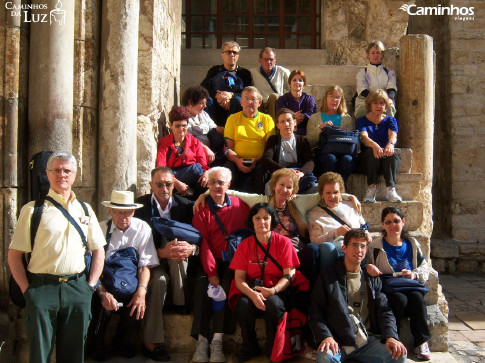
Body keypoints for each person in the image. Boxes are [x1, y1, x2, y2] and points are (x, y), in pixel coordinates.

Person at [8, 151, 106, 363]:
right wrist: (28, 291)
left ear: (75, 174)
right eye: (57, 170)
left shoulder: (85, 210)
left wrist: (89, 286)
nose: (62, 174)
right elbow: (14, 256)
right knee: (40, 355)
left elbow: (98, 250)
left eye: (67, 170)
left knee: (73, 355)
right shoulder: (33, 210)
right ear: (47, 173)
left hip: (76, 288)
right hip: (42, 288)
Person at [310, 228, 407, 363]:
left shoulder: (372, 278)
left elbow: (384, 310)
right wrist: (326, 336)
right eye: (354, 245)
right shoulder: (328, 276)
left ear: (366, 250)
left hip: (366, 341)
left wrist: (391, 336)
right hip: (339, 342)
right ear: (344, 248)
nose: (359, 250)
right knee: (325, 358)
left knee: (399, 355)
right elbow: (316, 311)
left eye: (363, 246)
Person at [134, 166, 196, 361]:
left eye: (168, 184)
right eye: (159, 184)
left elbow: (199, 237)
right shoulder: (140, 207)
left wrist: (191, 248)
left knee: (178, 251)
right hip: (152, 258)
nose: (164, 188)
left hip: (178, 258)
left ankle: (180, 302)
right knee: (159, 281)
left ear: (173, 184)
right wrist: (160, 252)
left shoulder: (185, 205)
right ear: (151, 185)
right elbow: (134, 244)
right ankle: (151, 342)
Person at [90, 191, 159, 360]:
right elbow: (91, 265)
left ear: (133, 212)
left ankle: (122, 342)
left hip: (130, 283)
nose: (123, 217)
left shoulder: (142, 229)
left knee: (136, 307)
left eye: (127, 212)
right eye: (119, 212)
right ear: (110, 211)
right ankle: (95, 345)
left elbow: (145, 265)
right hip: (105, 282)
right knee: (100, 308)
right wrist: (102, 292)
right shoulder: (100, 228)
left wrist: (141, 292)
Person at [191, 167, 250, 363]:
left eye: (221, 182)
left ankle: (217, 340)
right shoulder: (201, 208)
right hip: (211, 260)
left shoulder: (241, 205)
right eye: (212, 182)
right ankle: (201, 340)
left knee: (226, 288)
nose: (217, 186)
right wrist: (211, 273)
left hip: (235, 262)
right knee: (202, 286)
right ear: (207, 185)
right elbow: (204, 242)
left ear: (229, 185)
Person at [230, 203, 300, 362]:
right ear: (252, 221)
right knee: (243, 305)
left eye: (266, 218)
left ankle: (272, 347)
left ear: (272, 220)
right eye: (257, 218)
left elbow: (289, 275)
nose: (262, 222)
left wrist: (273, 290)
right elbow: (239, 279)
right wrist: (253, 294)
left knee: (274, 305)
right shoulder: (244, 245)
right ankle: (249, 347)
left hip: (278, 289)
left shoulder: (284, 243)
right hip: (253, 288)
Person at [366, 206, 431, 361]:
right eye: (388, 222)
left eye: (396, 221)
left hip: (410, 284)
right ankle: (393, 338)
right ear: (382, 224)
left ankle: (422, 341)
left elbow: (424, 265)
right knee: (399, 300)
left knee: (417, 297)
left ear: (403, 222)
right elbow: (366, 265)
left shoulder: (412, 244)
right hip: (390, 287)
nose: (392, 225)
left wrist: (414, 274)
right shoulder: (375, 247)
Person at [307, 172, 367, 271]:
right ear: (322, 194)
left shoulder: (351, 205)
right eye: (328, 193)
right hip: (334, 250)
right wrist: (335, 233)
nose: (332, 196)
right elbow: (314, 241)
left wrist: (367, 235)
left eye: (335, 192)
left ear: (341, 193)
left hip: (356, 248)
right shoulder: (314, 214)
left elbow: (363, 226)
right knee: (328, 247)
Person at [223, 86, 275, 192]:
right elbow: (228, 148)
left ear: (259, 103)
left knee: (263, 168)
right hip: (237, 159)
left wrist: (257, 159)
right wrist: (237, 161)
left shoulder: (267, 119)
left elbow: (270, 147)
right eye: (246, 99)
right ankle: (232, 203)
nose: (249, 102)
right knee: (227, 170)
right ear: (241, 102)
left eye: (253, 99)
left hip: (259, 160)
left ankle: (258, 202)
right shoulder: (232, 119)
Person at [356, 89, 402, 203]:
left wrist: (390, 144)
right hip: (369, 159)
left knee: (392, 154)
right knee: (372, 153)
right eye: (375, 103)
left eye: (382, 103)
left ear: (386, 106)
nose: (378, 106)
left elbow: (393, 135)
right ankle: (371, 189)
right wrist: (374, 145)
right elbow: (364, 138)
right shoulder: (362, 120)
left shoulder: (390, 120)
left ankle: (391, 190)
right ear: (369, 105)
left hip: (385, 158)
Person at [260, 108, 317, 194]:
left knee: (317, 189)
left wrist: (301, 172)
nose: (286, 124)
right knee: (269, 187)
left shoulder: (302, 140)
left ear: (295, 122)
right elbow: (266, 159)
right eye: (282, 122)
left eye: (289, 120)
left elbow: (310, 161)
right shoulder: (273, 140)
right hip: (280, 176)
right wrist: (285, 171)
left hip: (298, 176)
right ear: (278, 125)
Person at [156, 106, 210, 197]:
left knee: (204, 176)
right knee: (196, 169)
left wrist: (206, 173)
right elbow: (161, 169)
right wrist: (175, 182)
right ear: (170, 125)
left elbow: (204, 165)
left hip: (193, 179)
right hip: (172, 178)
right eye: (177, 126)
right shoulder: (165, 143)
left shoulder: (194, 142)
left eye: (184, 125)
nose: (181, 129)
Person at [307, 86, 356, 180]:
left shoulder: (347, 118)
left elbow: (353, 142)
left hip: (343, 151)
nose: (334, 100)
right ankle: (328, 187)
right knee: (330, 159)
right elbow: (309, 142)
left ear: (341, 100)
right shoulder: (314, 117)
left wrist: (346, 131)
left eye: (338, 97)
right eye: (332, 96)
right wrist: (320, 128)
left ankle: (341, 188)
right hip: (323, 152)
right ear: (326, 98)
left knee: (347, 160)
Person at [201, 41, 253, 127]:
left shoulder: (244, 73)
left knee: (237, 100)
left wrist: (232, 95)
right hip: (216, 103)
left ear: (238, 56)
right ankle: (212, 130)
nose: (231, 55)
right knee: (206, 100)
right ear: (222, 55)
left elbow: (249, 92)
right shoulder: (214, 70)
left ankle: (231, 130)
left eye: (234, 52)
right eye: (228, 52)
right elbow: (203, 88)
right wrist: (217, 95)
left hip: (234, 106)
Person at [182, 85, 226, 166]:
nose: (205, 106)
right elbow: (188, 139)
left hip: (213, 150)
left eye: (205, 103)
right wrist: (206, 148)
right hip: (199, 153)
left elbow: (214, 128)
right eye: (202, 103)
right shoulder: (184, 118)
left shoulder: (203, 114)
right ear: (191, 103)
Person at [354, 40, 397, 119]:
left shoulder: (389, 72)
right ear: (368, 54)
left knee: (390, 108)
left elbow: (392, 88)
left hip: (384, 101)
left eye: (378, 52)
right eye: (373, 53)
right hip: (365, 101)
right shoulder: (362, 72)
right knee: (362, 110)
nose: (375, 55)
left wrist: (387, 100)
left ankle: (389, 129)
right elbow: (363, 91)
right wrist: (375, 103)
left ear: (382, 54)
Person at [250, 47, 290, 120]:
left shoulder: (283, 72)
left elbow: (291, 89)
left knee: (274, 96)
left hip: (276, 104)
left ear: (275, 61)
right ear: (260, 60)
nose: (268, 62)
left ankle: (273, 128)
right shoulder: (253, 73)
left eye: (271, 59)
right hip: (260, 104)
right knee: (257, 98)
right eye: (266, 59)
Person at [276, 69, 316, 135]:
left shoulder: (309, 99)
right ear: (289, 83)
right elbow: (280, 116)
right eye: (294, 80)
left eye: (300, 80)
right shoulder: (282, 100)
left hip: (306, 132)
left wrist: (298, 117)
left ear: (304, 84)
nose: (297, 82)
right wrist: (294, 117)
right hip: (287, 133)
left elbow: (312, 116)